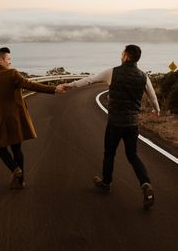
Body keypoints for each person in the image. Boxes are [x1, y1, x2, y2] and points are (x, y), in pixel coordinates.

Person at [61, 44, 160, 209]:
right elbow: (153, 97)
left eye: (122, 53)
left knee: (109, 153)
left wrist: (69, 85)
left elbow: (89, 80)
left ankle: (106, 183)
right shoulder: (143, 76)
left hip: (115, 123)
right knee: (132, 155)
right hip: (132, 124)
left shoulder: (112, 72)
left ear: (126, 56)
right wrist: (156, 110)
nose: (121, 55)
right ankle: (145, 184)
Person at [0, 47, 64, 189]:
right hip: (16, 118)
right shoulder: (12, 74)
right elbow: (30, 85)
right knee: (16, 148)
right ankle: (21, 180)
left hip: (0, 118)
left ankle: (15, 169)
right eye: (8, 60)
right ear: (0, 60)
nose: (10, 63)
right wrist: (54, 89)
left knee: (0, 148)